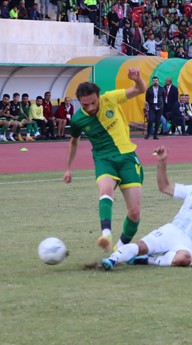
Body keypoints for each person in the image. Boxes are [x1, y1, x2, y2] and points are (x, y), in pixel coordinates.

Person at [63, 67, 147, 252]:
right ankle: (106, 234)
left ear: (99, 96)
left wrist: (137, 79)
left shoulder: (111, 98)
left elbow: (140, 90)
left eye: (93, 103)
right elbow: (73, 141)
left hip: (127, 158)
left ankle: (120, 249)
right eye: (85, 105)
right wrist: (68, 168)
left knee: (134, 213)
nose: (91, 108)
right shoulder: (78, 120)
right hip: (103, 159)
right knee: (106, 189)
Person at [144, 76, 165, 140]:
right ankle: (148, 134)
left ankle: (155, 135)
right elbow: (147, 98)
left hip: (159, 106)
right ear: (152, 81)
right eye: (154, 81)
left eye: (156, 81)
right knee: (150, 120)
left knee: (158, 121)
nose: (155, 82)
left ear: (158, 81)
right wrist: (151, 103)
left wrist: (161, 104)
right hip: (152, 106)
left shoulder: (162, 89)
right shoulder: (149, 89)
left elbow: (163, 97)